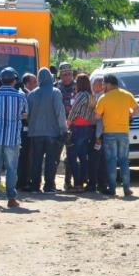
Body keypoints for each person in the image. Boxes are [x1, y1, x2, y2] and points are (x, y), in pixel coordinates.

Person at [0, 68, 27, 208]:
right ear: (14, 80)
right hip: (12, 138)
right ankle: (11, 198)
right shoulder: (21, 96)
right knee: (11, 168)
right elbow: (25, 113)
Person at [95, 74, 139, 197]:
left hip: (109, 133)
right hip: (124, 133)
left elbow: (97, 116)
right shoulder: (127, 95)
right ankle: (126, 188)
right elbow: (137, 110)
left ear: (109, 84)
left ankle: (112, 188)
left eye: (104, 84)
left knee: (111, 161)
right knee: (124, 161)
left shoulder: (103, 98)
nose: (103, 86)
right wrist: (129, 115)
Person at [27, 67, 66, 194]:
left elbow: (28, 114)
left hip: (35, 133)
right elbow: (59, 113)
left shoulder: (31, 94)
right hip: (52, 133)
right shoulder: (55, 92)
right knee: (51, 160)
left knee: (36, 161)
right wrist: (63, 130)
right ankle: (49, 186)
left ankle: (35, 186)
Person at [67, 73, 96, 193]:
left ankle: (77, 183)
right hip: (87, 127)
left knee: (72, 156)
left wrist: (68, 123)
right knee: (83, 157)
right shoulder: (91, 96)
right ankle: (83, 181)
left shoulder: (81, 95)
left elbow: (74, 111)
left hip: (77, 127)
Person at [56, 62, 76, 190]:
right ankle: (50, 183)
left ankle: (68, 182)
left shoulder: (78, 87)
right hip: (58, 126)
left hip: (74, 126)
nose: (67, 77)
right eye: (64, 75)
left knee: (71, 156)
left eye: (69, 74)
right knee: (55, 157)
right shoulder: (55, 88)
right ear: (60, 75)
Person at [17, 72, 38, 191]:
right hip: (24, 130)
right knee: (24, 157)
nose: (36, 84)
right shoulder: (26, 94)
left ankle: (22, 181)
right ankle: (23, 182)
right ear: (28, 83)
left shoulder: (24, 93)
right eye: (34, 82)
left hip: (23, 130)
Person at [87, 76, 107, 193]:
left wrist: (97, 136)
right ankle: (102, 184)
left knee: (95, 160)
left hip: (98, 132)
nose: (92, 86)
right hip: (104, 132)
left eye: (93, 84)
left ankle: (93, 184)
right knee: (102, 160)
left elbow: (99, 120)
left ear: (99, 85)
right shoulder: (103, 97)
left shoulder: (99, 98)